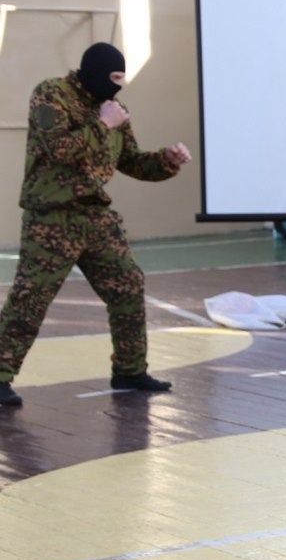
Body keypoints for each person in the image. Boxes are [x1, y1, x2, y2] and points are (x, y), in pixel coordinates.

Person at [0, 43, 191, 408]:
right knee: (31, 298)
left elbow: (132, 162)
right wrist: (103, 123)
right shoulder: (51, 94)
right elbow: (60, 149)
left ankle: (130, 371)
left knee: (128, 285)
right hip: (51, 218)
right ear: (97, 72)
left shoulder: (116, 111)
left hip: (94, 217)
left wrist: (167, 160)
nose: (119, 88)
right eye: (114, 79)